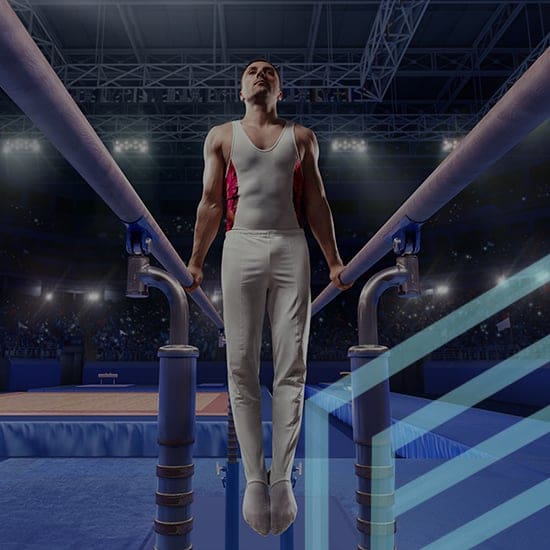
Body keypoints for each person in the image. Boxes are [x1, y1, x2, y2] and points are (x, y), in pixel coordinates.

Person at [185, 59, 353, 536]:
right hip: (240, 245)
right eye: (252, 70)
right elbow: (212, 202)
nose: (260, 73)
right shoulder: (221, 135)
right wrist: (196, 261)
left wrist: (335, 260)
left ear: (280, 87)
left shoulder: (302, 136)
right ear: (241, 88)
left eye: (270, 70)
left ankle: (282, 478)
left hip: (289, 244)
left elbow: (316, 202)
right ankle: (254, 478)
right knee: (240, 364)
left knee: (290, 366)